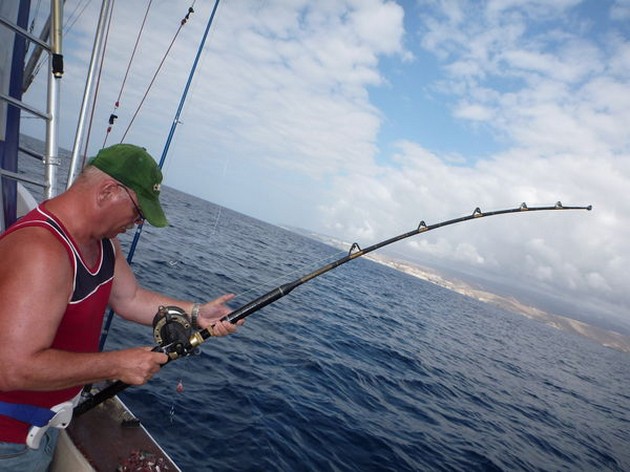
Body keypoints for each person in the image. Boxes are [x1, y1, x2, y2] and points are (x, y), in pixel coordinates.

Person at [0, 144, 241, 471]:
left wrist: (198, 313)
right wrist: (115, 365)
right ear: (108, 191)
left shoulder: (104, 243)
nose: (138, 224)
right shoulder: (42, 251)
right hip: (9, 444)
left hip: (46, 427)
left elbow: (130, 298)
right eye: (139, 212)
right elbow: (10, 369)